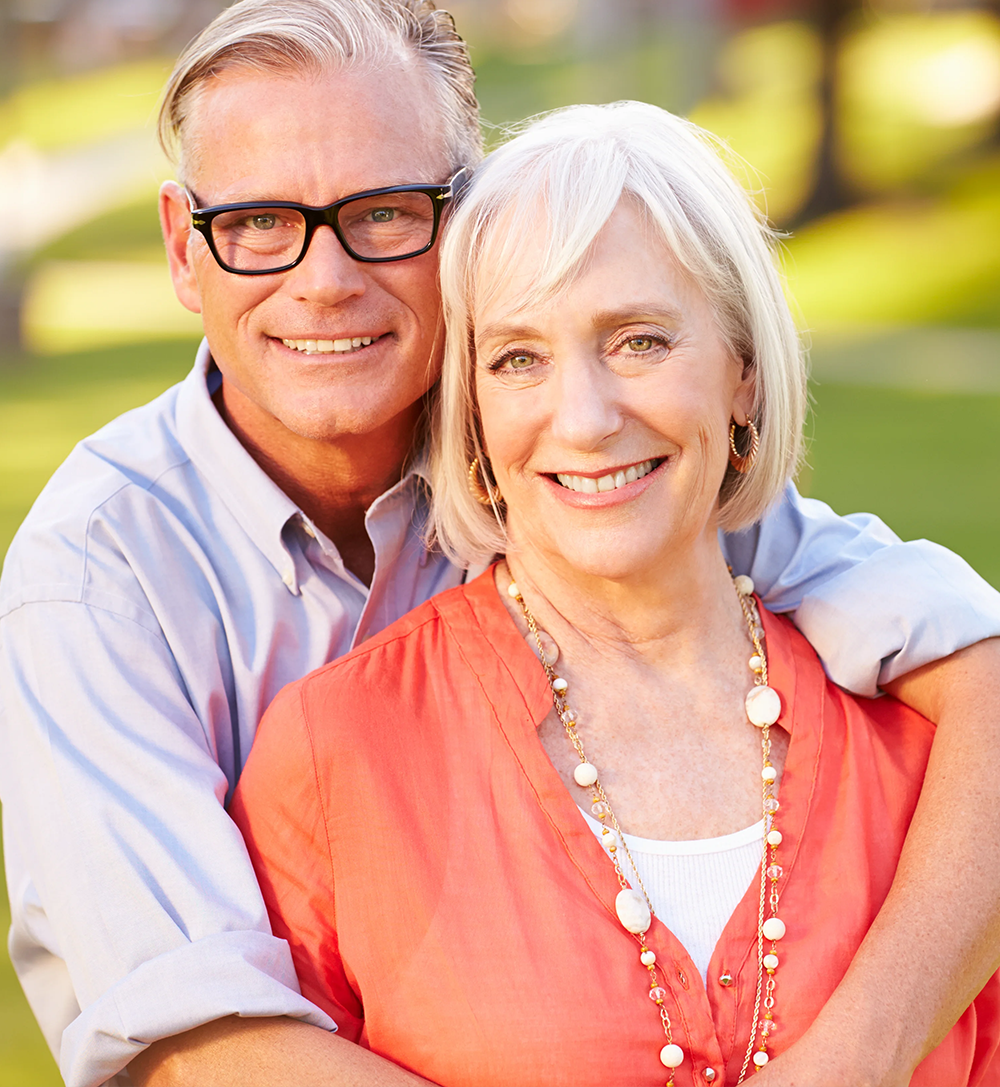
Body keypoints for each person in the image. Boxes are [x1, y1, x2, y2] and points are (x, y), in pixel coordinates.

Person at [0, 0, 997, 1087]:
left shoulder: (586, 472)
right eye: (261, 224)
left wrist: (856, 1057)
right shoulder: (99, 574)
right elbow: (200, 1041)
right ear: (187, 248)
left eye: (381, 213)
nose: (323, 281)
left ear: (466, 222)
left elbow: (974, 669)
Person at [230, 101, 1000, 1087]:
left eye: (638, 340)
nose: (585, 419)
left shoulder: (927, 754)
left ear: (744, 378)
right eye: (518, 359)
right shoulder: (337, 757)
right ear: (471, 409)